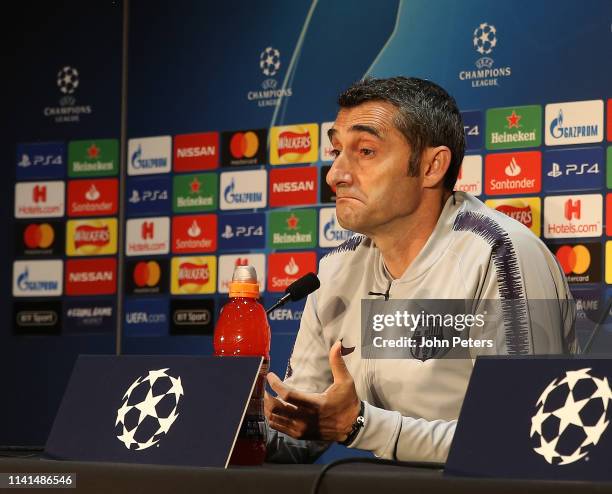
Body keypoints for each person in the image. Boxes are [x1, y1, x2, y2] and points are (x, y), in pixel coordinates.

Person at [264, 76, 577, 463]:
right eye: (335, 151)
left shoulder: (499, 253)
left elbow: (529, 433)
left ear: (432, 166)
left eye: (364, 151)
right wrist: (245, 422)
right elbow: (302, 431)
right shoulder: (334, 271)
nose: (335, 175)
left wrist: (360, 425)